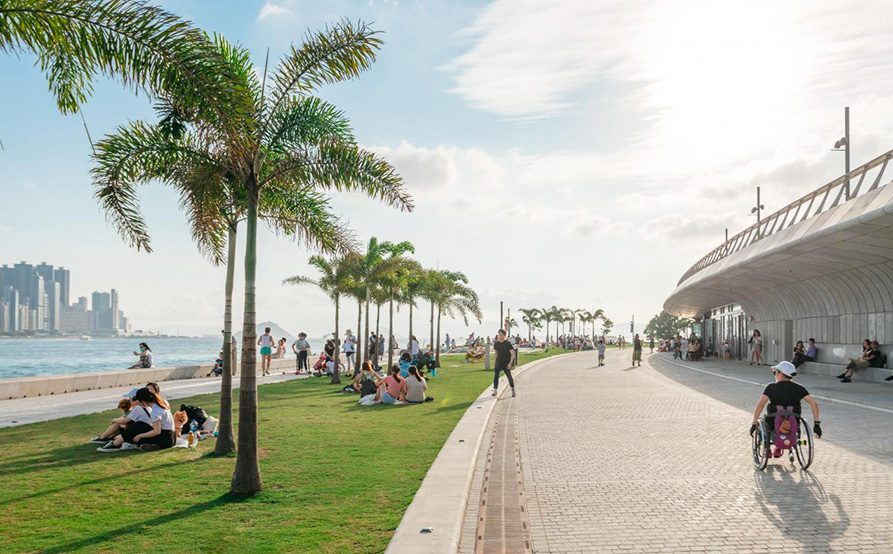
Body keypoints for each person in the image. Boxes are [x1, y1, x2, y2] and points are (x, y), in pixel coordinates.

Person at [750, 361, 822, 457]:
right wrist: (816, 424)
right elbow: (814, 404)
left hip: (772, 422)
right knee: (787, 423)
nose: (774, 375)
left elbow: (760, 405)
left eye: (775, 372)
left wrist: (754, 423)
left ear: (781, 374)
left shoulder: (771, 387)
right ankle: (779, 448)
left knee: (763, 421)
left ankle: (767, 448)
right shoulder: (799, 388)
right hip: (793, 422)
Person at [98, 387, 176, 452]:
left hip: (165, 439)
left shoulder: (155, 411)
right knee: (138, 425)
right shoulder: (161, 404)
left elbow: (157, 431)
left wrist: (139, 436)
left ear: (142, 401)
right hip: (172, 437)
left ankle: (115, 444)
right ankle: (121, 442)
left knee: (139, 426)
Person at [491, 329, 516, 398]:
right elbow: (496, 354)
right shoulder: (496, 344)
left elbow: (512, 354)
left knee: (509, 376)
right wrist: (495, 363)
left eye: (501, 335)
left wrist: (510, 363)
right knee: (496, 376)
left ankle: (513, 388)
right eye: (499, 335)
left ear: (504, 336)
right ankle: (495, 390)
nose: (500, 336)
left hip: (506, 363)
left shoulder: (507, 343)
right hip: (498, 363)